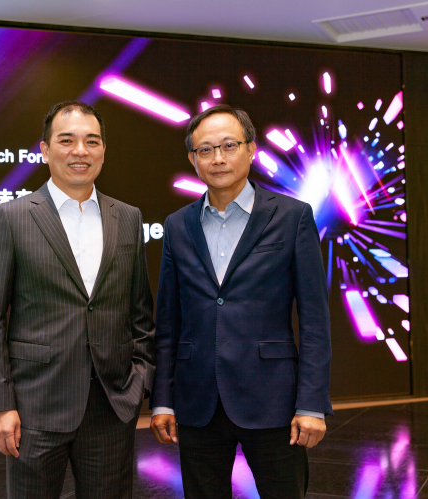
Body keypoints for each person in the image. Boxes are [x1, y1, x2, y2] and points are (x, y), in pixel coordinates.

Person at [149, 104, 332, 499]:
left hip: (273, 401)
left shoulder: (292, 217)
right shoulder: (178, 225)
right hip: (197, 401)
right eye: (205, 149)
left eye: (229, 145)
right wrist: (162, 400)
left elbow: (315, 320)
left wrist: (312, 404)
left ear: (251, 149)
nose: (217, 158)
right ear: (192, 160)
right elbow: (168, 321)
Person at [0, 101, 155, 499]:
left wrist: (140, 378)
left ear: (103, 150)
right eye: (67, 140)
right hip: (35, 406)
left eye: (92, 141)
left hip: (111, 405)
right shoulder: (13, 217)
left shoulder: (128, 217)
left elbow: (140, 311)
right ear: (45, 150)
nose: (80, 151)